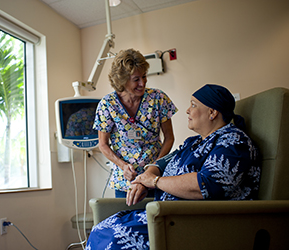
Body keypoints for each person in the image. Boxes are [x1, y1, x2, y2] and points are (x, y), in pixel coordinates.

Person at [85, 84, 261, 250]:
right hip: (171, 216)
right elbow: (161, 163)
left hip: (196, 222)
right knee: (101, 230)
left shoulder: (233, 142)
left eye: (193, 105)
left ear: (212, 112)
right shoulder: (193, 142)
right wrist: (143, 180)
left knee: (113, 240)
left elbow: (205, 186)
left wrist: (155, 181)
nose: (187, 110)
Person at [93, 48, 178, 198]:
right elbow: (103, 144)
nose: (143, 83)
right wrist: (123, 166)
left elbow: (169, 138)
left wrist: (154, 167)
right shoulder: (107, 105)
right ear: (122, 81)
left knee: (157, 218)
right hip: (126, 180)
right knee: (127, 219)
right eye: (136, 79)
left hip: (155, 178)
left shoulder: (158, 98)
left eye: (144, 77)